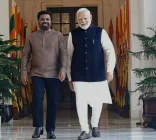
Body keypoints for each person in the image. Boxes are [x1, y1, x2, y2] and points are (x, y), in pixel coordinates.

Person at [67, 8, 116, 140]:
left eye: (85, 18)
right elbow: (69, 57)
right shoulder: (73, 34)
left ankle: (95, 125)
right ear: (77, 20)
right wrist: (69, 77)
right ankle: (85, 129)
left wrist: (109, 69)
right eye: (80, 19)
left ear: (90, 17)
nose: (83, 21)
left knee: (97, 101)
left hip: (98, 72)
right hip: (79, 74)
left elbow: (110, 51)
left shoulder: (100, 31)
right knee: (80, 102)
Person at [21, 10, 67, 139]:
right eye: (42, 19)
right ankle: (38, 127)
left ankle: (51, 130)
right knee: (37, 100)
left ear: (50, 21)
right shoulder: (32, 36)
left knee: (53, 102)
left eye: (47, 19)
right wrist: (24, 72)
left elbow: (64, 53)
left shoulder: (58, 36)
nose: (45, 21)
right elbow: (25, 55)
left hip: (54, 74)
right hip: (37, 73)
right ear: (39, 21)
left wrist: (63, 69)